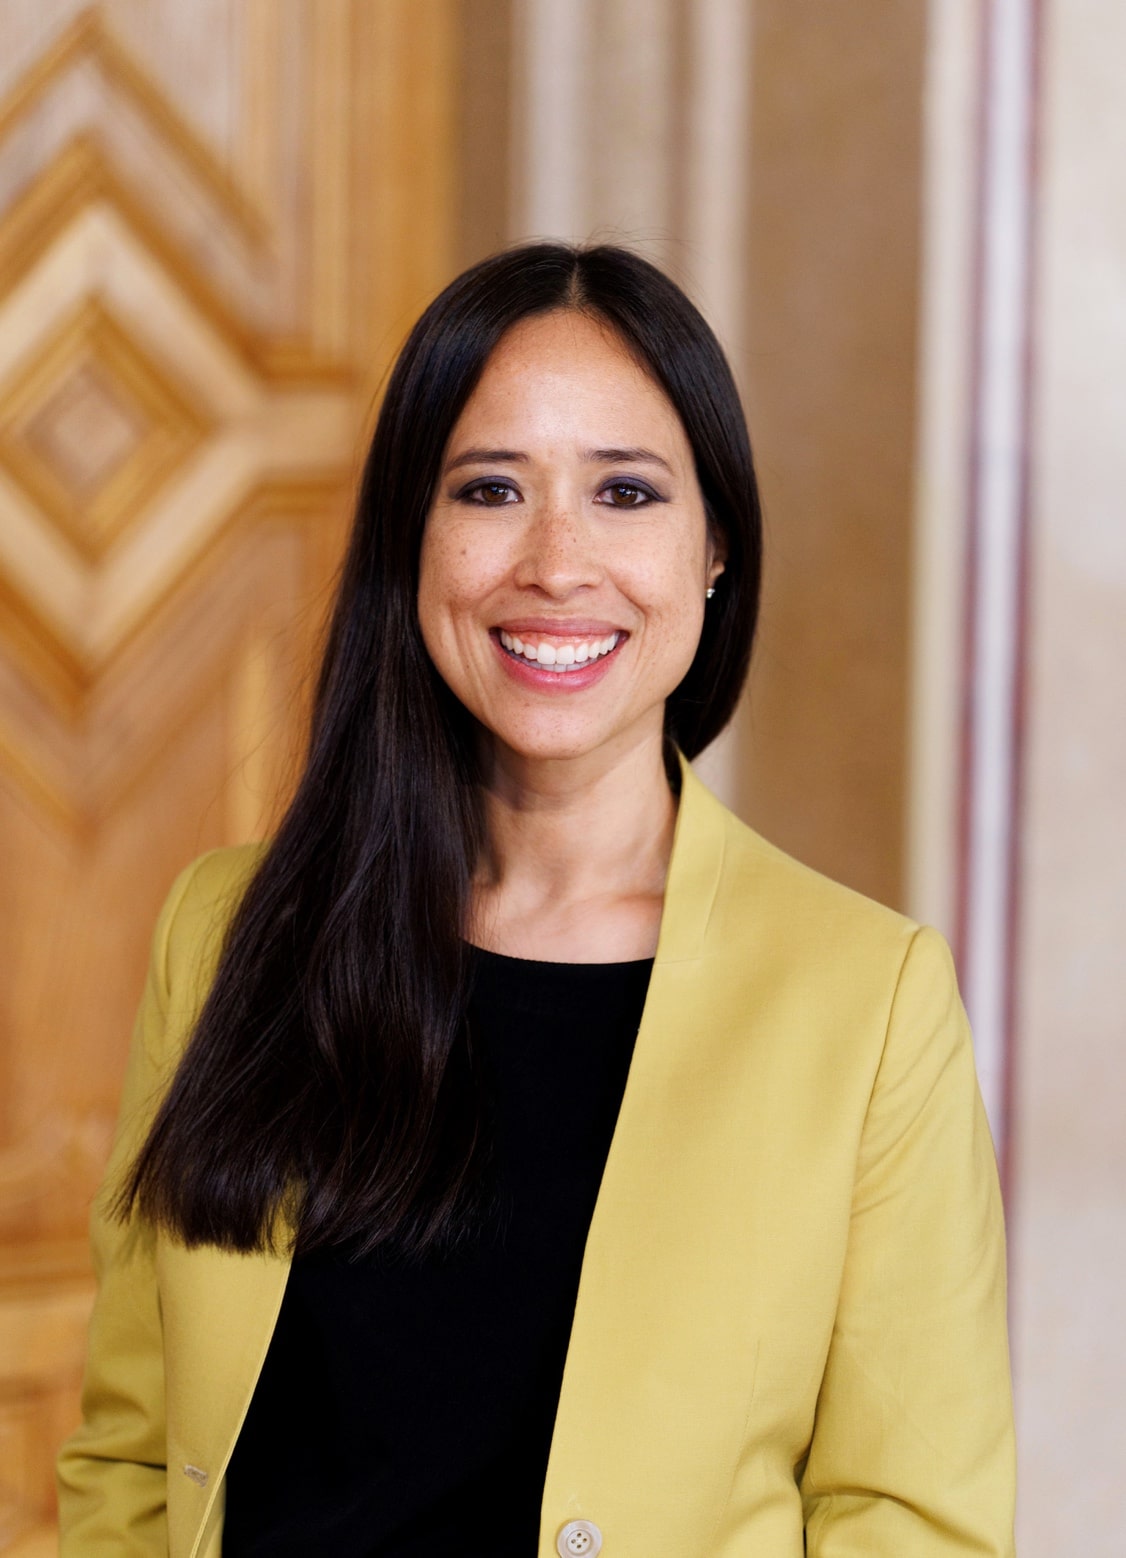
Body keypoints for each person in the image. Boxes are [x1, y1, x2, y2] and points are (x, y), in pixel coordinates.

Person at [57, 242, 1015, 1557]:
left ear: (714, 547)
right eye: (491, 488)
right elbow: (127, 1460)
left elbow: (913, 1522)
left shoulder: (867, 1001)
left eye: (625, 491)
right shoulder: (225, 933)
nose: (557, 564)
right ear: (412, 534)